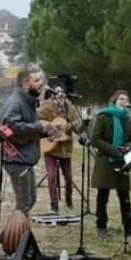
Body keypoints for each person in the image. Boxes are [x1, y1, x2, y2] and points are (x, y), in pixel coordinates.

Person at [0, 68, 56, 216]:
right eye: (37, 80)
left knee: (29, 201)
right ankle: (16, 237)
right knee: (24, 203)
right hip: (16, 159)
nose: (41, 84)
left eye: (42, 80)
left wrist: (47, 131)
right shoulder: (15, 102)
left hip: (25, 159)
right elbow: (10, 128)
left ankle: (17, 235)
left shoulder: (28, 101)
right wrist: (39, 125)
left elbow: (28, 129)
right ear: (25, 84)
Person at [90, 89, 131, 239]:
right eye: (121, 99)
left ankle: (129, 227)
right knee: (103, 195)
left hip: (122, 161)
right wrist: (114, 151)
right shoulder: (104, 116)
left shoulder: (127, 119)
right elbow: (95, 139)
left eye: (126, 99)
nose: (124, 102)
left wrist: (128, 147)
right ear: (115, 100)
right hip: (105, 160)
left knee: (124, 195)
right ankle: (101, 226)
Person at [38, 85, 85, 213]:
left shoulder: (70, 108)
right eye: (57, 91)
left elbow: (78, 123)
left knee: (69, 178)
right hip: (50, 146)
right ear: (53, 94)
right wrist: (49, 125)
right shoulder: (47, 106)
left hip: (65, 147)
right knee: (52, 176)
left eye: (62, 91)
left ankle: (68, 200)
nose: (60, 94)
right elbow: (37, 118)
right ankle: (54, 203)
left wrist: (68, 126)